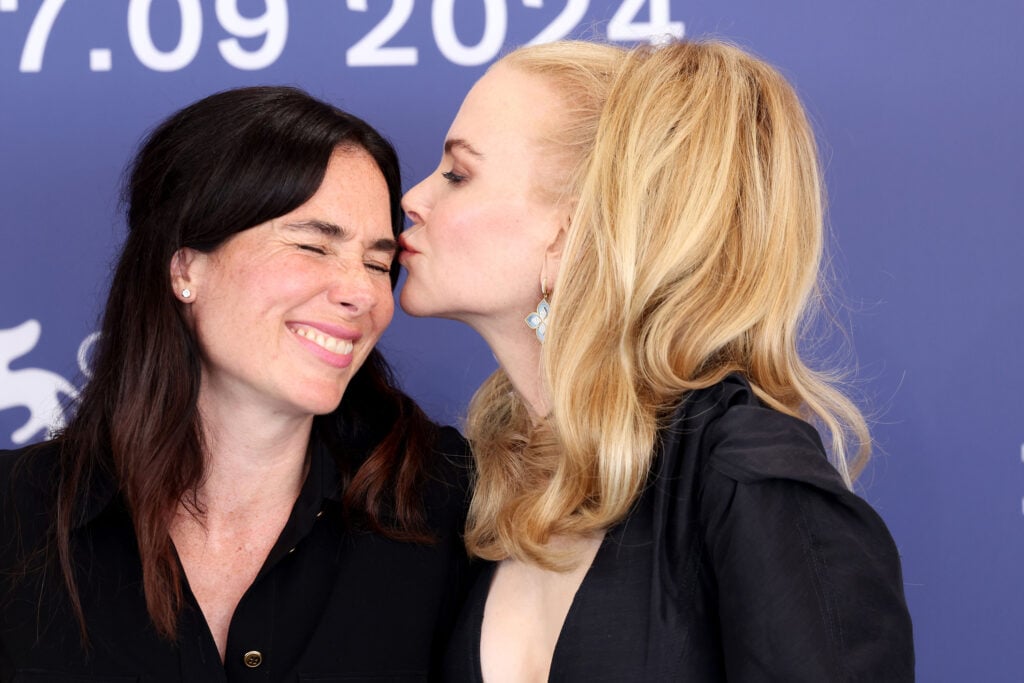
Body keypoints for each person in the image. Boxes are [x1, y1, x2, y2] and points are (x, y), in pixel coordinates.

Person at [399, 39, 914, 681]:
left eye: (457, 174)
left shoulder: (745, 473)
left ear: (570, 232)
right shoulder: (486, 481)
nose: (413, 198)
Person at [0, 86, 471, 681]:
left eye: (378, 264)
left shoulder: (452, 507)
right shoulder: (16, 517)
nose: (361, 292)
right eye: (311, 245)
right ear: (185, 267)